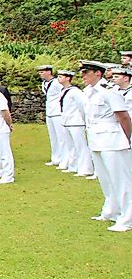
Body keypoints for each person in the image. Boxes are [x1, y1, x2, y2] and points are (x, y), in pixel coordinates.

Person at [79, 60, 132, 232]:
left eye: (86, 72)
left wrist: (126, 140)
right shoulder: (87, 93)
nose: (83, 76)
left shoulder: (108, 92)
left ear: (98, 73)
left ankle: (127, 218)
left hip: (113, 140)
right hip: (96, 140)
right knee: (105, 179)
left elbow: (123, 117)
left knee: (121, 181)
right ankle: (111, 210)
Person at [58, 70, 93, 178]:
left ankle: (85, 168)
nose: (59, 78)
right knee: (70, 146)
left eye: (61, 76)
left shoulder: (75, 91)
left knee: (80, 146)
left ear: (68, 78)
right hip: (66, 121)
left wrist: (83, 119)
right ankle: (73, 166)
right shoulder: (63, 90)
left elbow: (82, 106)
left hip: (76, 122)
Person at [38, 65, 66, 169]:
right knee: (53, 136)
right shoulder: (44, 83)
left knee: (61, 137)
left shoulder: (57, 82)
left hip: (58, 112)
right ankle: (55, 158)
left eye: (42, 72)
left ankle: (64, 159)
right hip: (49, 112)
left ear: (49, 72)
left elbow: (63, 93)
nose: (40, 74)